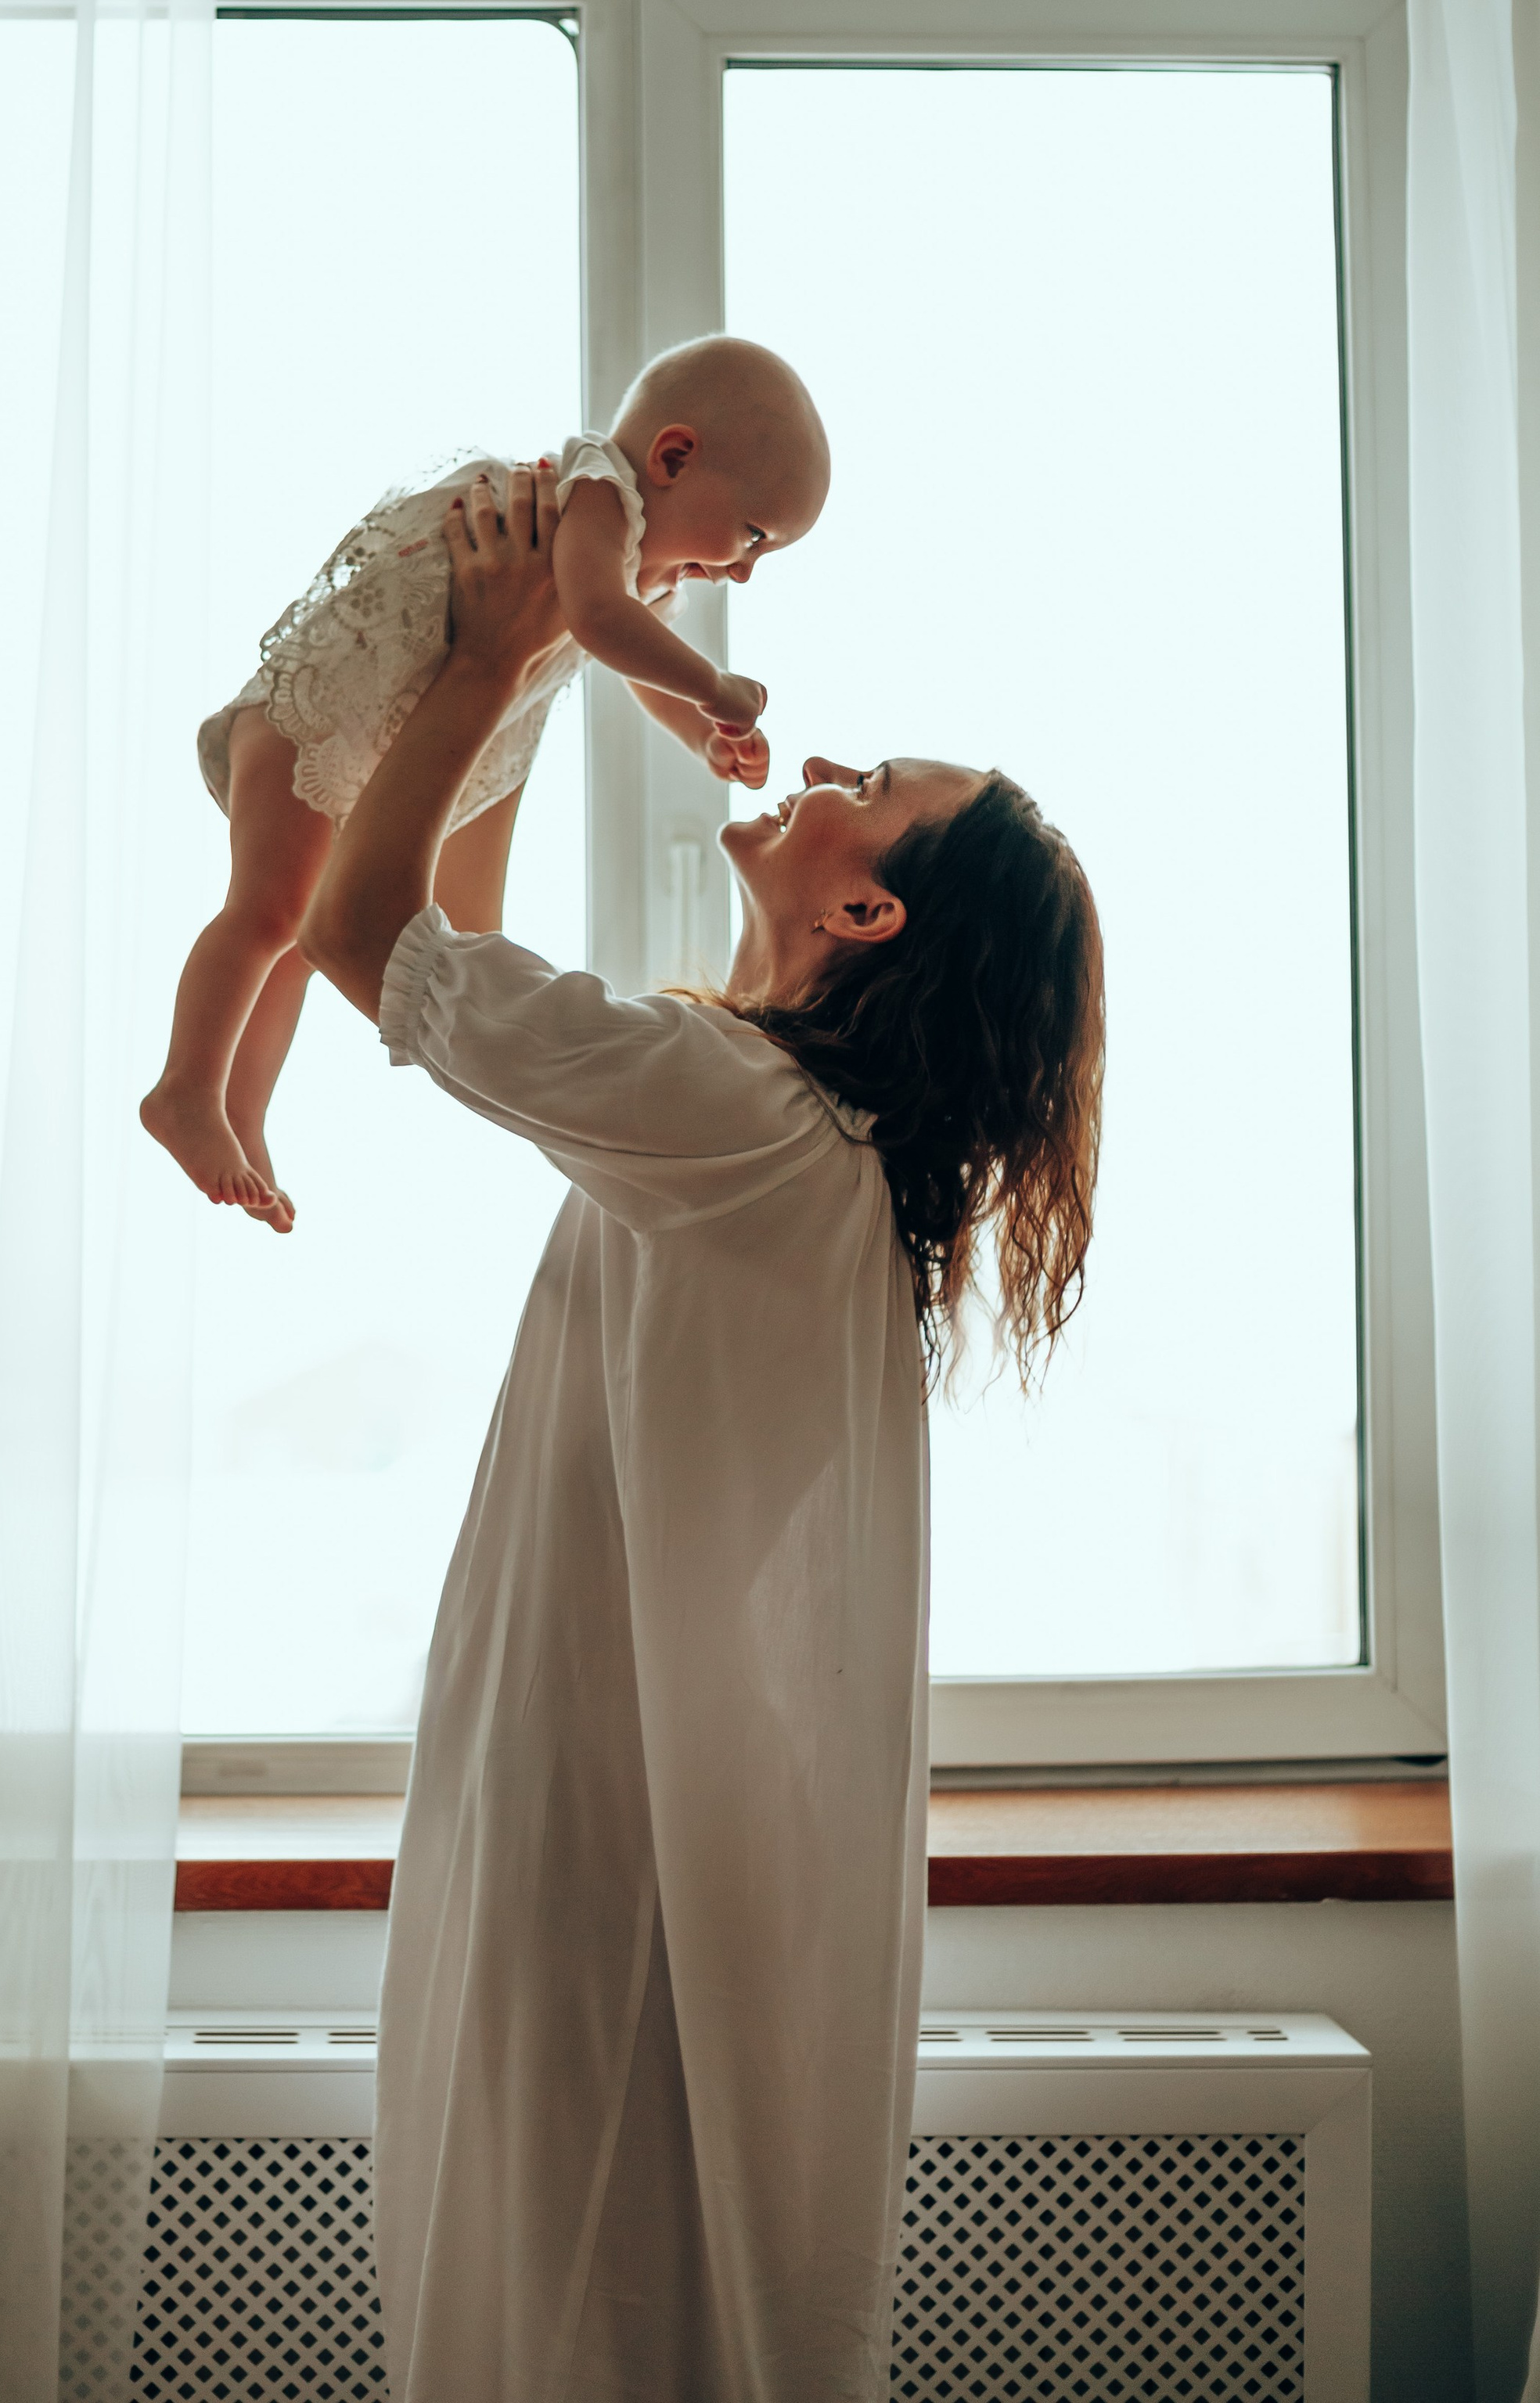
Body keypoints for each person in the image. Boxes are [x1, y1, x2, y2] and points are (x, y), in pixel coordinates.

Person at [299, 463, 1104, 2403]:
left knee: (559, 2288)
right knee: (606, 2285)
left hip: (598, 1813)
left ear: (862, 898)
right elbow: (460, 962)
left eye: (868, 778)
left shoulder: (739, 1115)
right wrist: (519, 677)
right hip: (630, 1793)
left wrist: (504, 648)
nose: (820, 760)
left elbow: (363, 939)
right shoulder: (772, 1129)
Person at [142, 335, 827, 1228]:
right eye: (750, 537)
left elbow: (624, 656)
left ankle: (244, 1112)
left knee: (303, 942)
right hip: (327, 709)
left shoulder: (640, 561)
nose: (743, 570)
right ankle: (183, 1086)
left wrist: (702, 734)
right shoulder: (597, 492)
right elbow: (595, 619)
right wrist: (715, 685)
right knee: (266, 911)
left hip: (377, 745)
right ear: (673, 456)